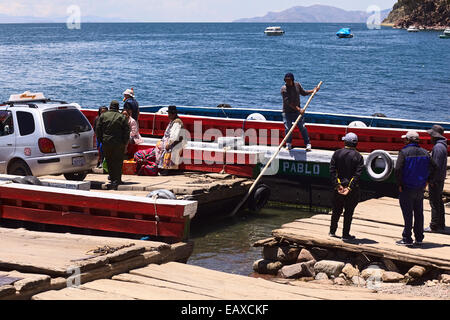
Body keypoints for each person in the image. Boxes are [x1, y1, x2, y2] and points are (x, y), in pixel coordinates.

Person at [395, 130, 436, 246]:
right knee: (419, 213)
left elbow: (397, 169)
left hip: (407, 188)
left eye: (405, 139)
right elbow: (435, 167)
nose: (404, 141)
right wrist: (428, 180)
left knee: (408, 214)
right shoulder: (425, 153)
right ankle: (419, 238)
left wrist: (399, 184)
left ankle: (407, 238)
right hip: (420, 188)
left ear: (408, 140)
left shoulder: (404, 152)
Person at [328, 132, 365, 241]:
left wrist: (338, 185)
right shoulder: (359, 156)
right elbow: (357, 175)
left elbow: (332, 171)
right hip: (352, 190)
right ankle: (345, 234)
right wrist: (349, 188)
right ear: (356, 143)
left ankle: (332, 231)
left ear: (345, 142)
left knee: (336, 210)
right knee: (348, 212)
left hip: (338, 188)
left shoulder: (337, 153)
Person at [95, 100, 130, 190]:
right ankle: (117, 179)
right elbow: (127, 131)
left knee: (109, 161)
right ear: (118, 107)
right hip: (118, 143)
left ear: (110, 106)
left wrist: (101, 140)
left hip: (106, 142)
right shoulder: (122, 117)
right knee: (118, 161)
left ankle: (112, 178)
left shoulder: (103, 116)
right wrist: (124, 142)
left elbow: (98, 129)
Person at [281, 73, 319, 151]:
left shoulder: (297, 85)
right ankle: (289, 144)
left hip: (297, 112)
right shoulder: (284, 89)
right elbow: (288, 102)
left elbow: (303, 93)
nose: (287, 82)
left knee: (302, 127)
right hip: (287, 112)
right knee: (288, 128)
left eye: (289, 80)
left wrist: (313, 91)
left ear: (292, 80)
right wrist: (299, 109)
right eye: (286, 80)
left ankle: (307, 144)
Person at [424, 125, 447, 233]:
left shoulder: (438, 148)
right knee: (438, 201)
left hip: (436, 180)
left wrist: (431, 180)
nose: (430, 138)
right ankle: (441, 224)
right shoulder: (442, 146)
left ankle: (434, 226)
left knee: (434, 202)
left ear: (435, 136)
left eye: (431, 136)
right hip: (440, 178)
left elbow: (436, 166)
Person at [154, 105, 187, 176]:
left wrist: (169, 143)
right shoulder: (173, 121)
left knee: (166, 150)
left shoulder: (177, 122)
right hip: (171, 141)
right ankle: (160, 167)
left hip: (177, 143)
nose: (168, 115)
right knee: (159, 146)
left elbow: (174, 136)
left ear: (173, 114)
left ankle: (166, 169)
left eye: (169, 114)